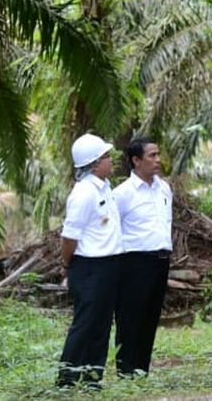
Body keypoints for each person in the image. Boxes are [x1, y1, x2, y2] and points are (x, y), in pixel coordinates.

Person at [57, 133, 120, 389]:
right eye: (106, 157)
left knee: (102, 324)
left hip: (108, 265)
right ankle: (67, 378)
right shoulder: (83, 193)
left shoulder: (104, 187)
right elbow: (69, 237)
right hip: (89, 267)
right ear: (94, 163)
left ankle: (93, 377)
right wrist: (66, 264)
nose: (110, 160)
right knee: (85, 323)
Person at [112, 137, 173, 378]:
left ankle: (141, 370)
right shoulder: (122, 194)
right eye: (152, 156)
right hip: (133, 262)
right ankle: (125, 371)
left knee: (150, 316)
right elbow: (112, 229)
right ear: (136, 160)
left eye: (158, 154)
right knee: (129, 317)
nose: (157, 160)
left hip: (160, 260)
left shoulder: (164, 188)